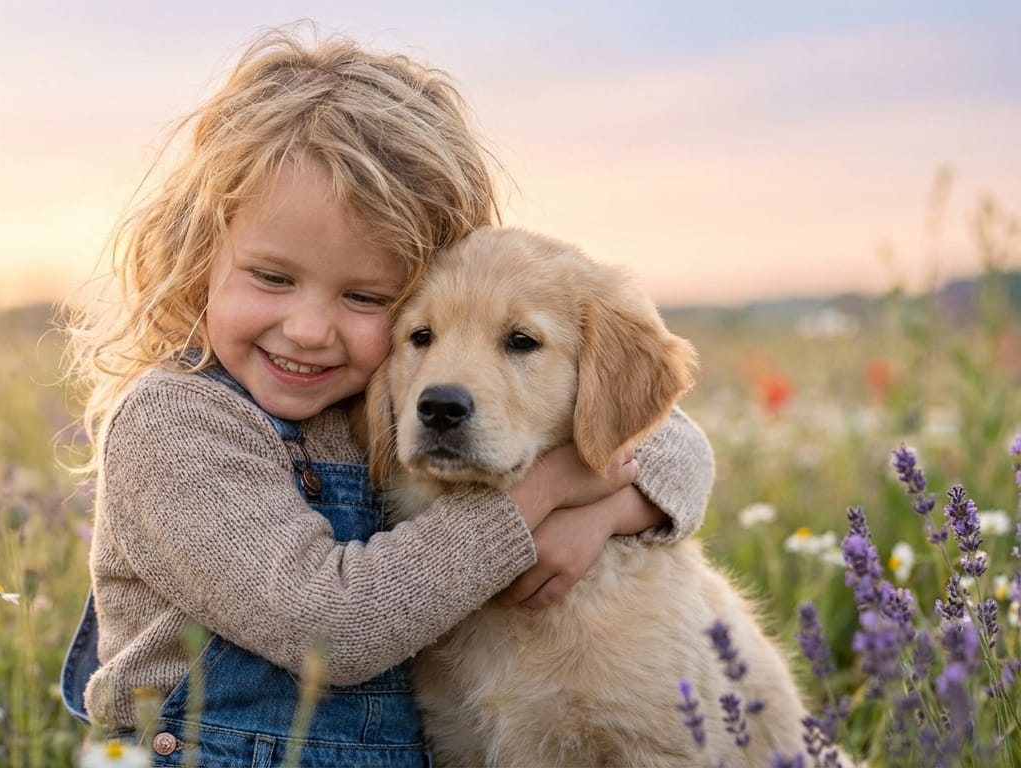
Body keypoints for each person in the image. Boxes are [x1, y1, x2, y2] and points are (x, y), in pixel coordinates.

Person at [60, 25, 714, 766]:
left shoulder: (390, 382)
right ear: (197, 259)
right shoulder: (177, 423)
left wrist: (614, 507)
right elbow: (330, 631)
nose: (308, 331)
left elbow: (676, 440)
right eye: (273, 278)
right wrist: (546, 493)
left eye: (366, 295)